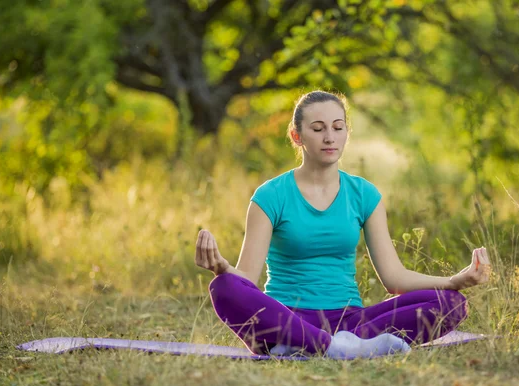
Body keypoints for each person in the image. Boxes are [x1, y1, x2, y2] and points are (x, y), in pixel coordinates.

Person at [195, 90, 491, 358]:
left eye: (338, 128)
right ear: (296, 136)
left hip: (350, 322)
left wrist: (454, 281)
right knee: (224, 288)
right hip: (284, 316)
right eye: (318, 128)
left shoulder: (364, 194)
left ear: (346, 133)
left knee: (452, 303)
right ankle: (331, 347)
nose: (329, 138)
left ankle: (312, 346)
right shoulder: (270, 195)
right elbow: (246, 278)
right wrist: (222, 268)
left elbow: (394, 278)